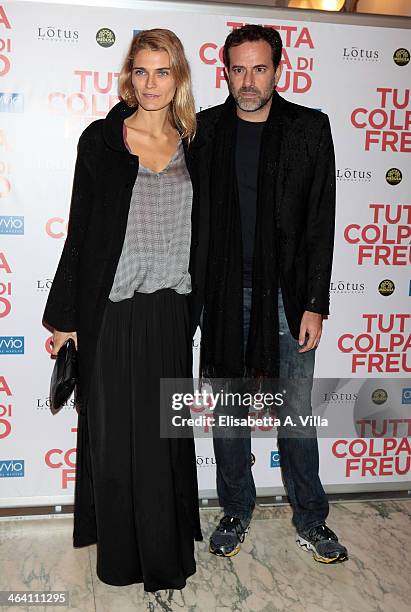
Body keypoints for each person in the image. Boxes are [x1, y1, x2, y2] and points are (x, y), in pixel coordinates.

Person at [43, 29, 209, 592]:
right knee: (114, 438)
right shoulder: (103, 140)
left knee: (164, 435)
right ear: (127, 77)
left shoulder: (196, 142)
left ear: (179, 77)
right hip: (111, 313)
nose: (152, 83)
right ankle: (120, 558)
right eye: (142, 71)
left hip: (169, 313)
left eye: (163, 72)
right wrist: (66, 317)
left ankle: (165, 554)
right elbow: (80, 230)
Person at [197, 25, 348, 564]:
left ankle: (311, 518)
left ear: (279, 70)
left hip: (286, 302)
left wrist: (315, 302)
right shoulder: (206, 129)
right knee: (230, 416)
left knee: (296, 414)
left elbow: (319, 222)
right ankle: (236, 509)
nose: (248, 80)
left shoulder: (309, 129)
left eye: (259, 68)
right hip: (221, 298)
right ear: (227, 72)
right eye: (238, 69)